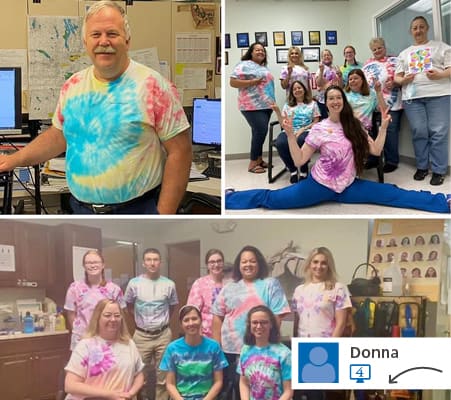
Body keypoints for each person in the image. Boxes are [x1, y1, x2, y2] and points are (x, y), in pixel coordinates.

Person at [0, 1, 192, 214]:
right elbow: (58, 136)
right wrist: (12, 160)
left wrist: (162, 217)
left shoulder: (154, 86)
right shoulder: (73, 85)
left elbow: (181, 152)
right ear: (85, 41)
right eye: (95, 35)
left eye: (112, 33)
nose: (104, 41)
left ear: (127, 40)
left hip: (137, 211)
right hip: (82, 211)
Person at [225, 85, 451, 214]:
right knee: (271, 200)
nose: (335, 101)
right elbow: (300, 160)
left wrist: (382, 128)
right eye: (331, 98)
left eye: (338, 97)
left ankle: (444, 202)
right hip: (318, 185)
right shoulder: (320, 128)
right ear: (327, 102)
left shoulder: (355, 125)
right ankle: (231, 198)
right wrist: (292, 136)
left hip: (349, 185)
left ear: (343, 101)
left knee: (393, 194)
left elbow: (375, 151)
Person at [212, 245, 290, 400]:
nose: (248, 265)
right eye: (244, 262)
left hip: (260, 349)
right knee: (231, 389)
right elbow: (217, 316)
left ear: (259, 264)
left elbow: (277, 316)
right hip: (230, 350)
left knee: (261, 387)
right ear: (238, 265)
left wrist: (267, 341)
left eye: (252, 261)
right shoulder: (229, 287)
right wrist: (217, 346)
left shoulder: (270, 284)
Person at [395, 16, 451, 186]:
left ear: (427, 28)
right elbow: (397, 78)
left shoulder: (441, 47)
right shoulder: (404, 54)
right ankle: (422, 166)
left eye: (421, 27)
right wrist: (404, 80)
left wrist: (440, 74)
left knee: (439, 132)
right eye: (414, 28)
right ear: (411, 31)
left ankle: (439, 170)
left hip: (439, 94)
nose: (418, 30)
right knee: (419, 132)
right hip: (413, 98)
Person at [292, 247, 351, 400]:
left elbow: (341, 323)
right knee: (298, 392)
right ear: (309, 264)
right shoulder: (299, 290)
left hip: (324, 346)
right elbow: (297, 320)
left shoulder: (338, 288)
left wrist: (330, 349)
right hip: (302, 345)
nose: (319, 266)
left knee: (316, 392)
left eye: (324, 263)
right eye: (315, 262)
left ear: (329, 265)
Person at [124, 248, 178, 400]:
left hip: (163, 335)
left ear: (160, 262)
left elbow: (172, 307)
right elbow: (127, 306)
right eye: (149, 259)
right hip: (141, 335)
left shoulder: (169, 284)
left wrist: (161, 323)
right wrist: (138, 323)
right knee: (138, 374)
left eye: (155, 259)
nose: (152, 263)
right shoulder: (134, 283)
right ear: (143, 262)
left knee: (163, 375)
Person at [64, 299, 145, 400]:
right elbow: (70, 385)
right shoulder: (85, 345)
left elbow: (139, 375)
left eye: (117, 315)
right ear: (97, 318)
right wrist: (109, 395)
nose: (113, 319)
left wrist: (130, 394)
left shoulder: (129, 344)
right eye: (107, 315)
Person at [160, 305, 228, 400]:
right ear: (181, 324)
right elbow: (170, 384)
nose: (191, 323)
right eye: (186, 320)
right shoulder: (172, 349)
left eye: (194, 319)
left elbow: (218, 381)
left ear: (201, 320)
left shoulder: (214, 347)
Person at [64, 249, 126, 351]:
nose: (92, 265)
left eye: (96, 262)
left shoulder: (114, 289)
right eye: (88, 263)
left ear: (103, 265)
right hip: (82, 339)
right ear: (84, 266)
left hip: (108, 339)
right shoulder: (75, 288)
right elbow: (71, 313)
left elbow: (121, 315)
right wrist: (78, 331)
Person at [230, 42, 275, 174]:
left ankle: (259, 159)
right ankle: (253, 162)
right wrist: (252, 82)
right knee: (260, 131)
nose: (261, 52)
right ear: (251, 52)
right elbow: (232, 82)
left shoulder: (262, 67)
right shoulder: (243, 65)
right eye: (257, 50)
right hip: (251, 106)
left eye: (262, 50)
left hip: (266, 105)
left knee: (259, 132)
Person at [363, 37, 403, 173]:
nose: (377, 50)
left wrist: (395, 83)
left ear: (384, 47)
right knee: (373, 132)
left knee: (390, 132)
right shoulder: (367, 64)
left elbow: (401, 78)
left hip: (392, 104)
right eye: (374, 49)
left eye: (379, 47)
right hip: (372, 106)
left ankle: (392, 161)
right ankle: (374, 159)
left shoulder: (395, 60)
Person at [238, 305, 293, 400]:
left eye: (264, 322)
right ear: (249, 325)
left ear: (271, 325)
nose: (259, 326)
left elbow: (288, 391)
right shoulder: (245, 350)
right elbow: (243, 382)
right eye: (255, 322)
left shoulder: (284, 354)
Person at [271, 80, 320, 183]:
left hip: (306, 130)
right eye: (294, 89)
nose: (297, 90)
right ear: (292, 92)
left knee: (301, 140)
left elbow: (316, 121)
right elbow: (282, 123)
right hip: (289, 130)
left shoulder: (313, 104)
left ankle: (303, 169)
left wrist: (304, 129)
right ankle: (292, 170)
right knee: (281, 143)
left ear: (304, 90)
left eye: (299, 88)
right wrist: (277, 111)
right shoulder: (288, 105)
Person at [187, 249, 228, 338]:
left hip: (227, 335)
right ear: (207, 265)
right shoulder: (200, 284)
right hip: (206, 335)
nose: (216, 265)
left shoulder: (230, 283)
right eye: (212, 262)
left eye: (219, 261)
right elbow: (192, 311)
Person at [315, 49, 342, 119]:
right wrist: (321, 71)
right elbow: (318, 84)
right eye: (324, 55)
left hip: (335, 100)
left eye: (328, 55)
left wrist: (340, 77)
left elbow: (340, 86)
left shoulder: (335, 68)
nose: (327, 57)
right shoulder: (321, 69)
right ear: (322, 58)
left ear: (331, 57)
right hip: (323, 101)